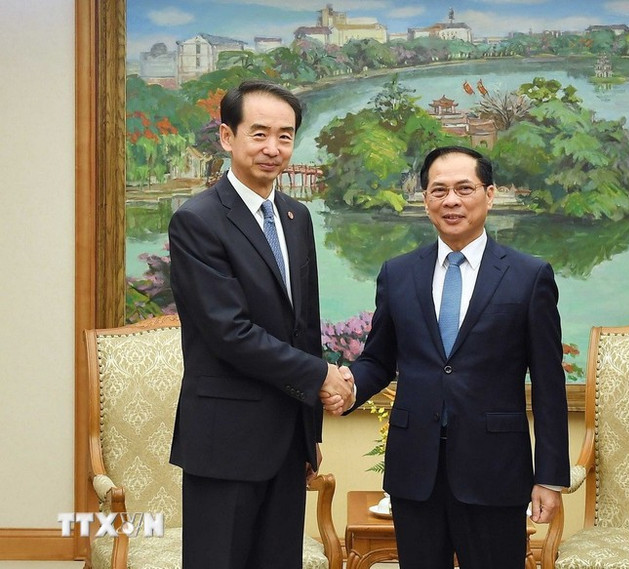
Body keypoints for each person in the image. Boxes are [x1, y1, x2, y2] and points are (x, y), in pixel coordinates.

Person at [335, 146, 570, 568]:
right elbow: (378, 360)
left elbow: (550, 382)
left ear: (490, 194)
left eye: (465, 188)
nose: (452, 201)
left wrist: (550, 476)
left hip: (495, 469)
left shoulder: (529, 275)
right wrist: (348, 387)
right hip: (415, 469)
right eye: (438, 190)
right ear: (425, 199)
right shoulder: (398, 273)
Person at [168, 80, 354, 569]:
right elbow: (229, 332)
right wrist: (321, 376)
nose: (274, 148)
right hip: (225, 438)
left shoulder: (297, 216)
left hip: (287, 439)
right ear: (228, 137)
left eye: (286, 136)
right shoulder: (197, 220)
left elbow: (304, 326)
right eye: (260, 134)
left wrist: (310, 427)